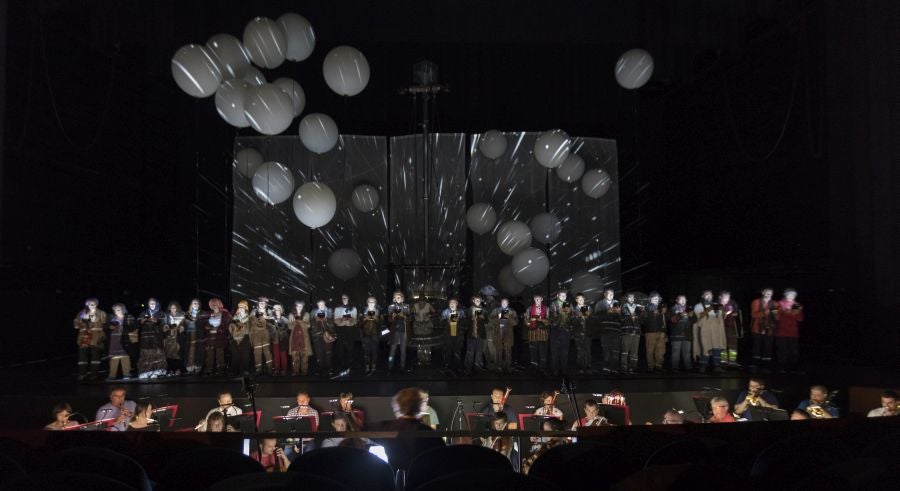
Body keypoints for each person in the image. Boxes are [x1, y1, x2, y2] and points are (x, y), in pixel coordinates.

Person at [377, 387, 445, 471]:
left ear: (397, 407)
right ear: (420, 407)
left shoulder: (386, 427)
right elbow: (442, 458)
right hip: (423, 480)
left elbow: (360, 428)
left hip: (395, 480)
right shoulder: (428, 431)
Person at [74, 298, 107, 381]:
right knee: (82, 356)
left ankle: (94, 374)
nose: (90, 306)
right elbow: (76, 324)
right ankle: (82, 374)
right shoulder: (81, 313)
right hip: (84, 337)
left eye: (92, 304)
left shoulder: (101, 313)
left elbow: (105, 323)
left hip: (96, 337)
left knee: (95, 356)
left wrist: (94, 320)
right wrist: (82, 322)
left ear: (96, 304)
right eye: (88, 304)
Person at [693, 290, 726, 372]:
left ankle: (717, 366)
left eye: (710, 295)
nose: (709, 296)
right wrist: (707, 310)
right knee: (705, 347)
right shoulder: (698, 305)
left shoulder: (716, 305)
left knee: (716, 348)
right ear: (702, 296)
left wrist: (722, 311)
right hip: (705, 330)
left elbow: (721, 318)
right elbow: (697, 317)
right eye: (706, 295)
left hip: (716, 331)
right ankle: (703, 366)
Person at [137, 298, 167, 379]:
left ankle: (158, 370)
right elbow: (138, 323)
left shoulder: (161, 313)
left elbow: (164, 323)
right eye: (150, 303)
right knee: (146, 353)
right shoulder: (144, 313)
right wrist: (142, 321)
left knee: (157, 353)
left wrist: (156, 321)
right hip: (146, 337)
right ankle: (146, 371)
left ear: (157, 304)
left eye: (153, 303)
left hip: (156, 336)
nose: (152, 305)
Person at [775, 288, 804, 372]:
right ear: (785, 294)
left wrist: (797, 313)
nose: (792, 296)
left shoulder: (797, 304)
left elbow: (800, 319)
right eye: (789, 294)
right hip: (781, 330)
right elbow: (776, 317)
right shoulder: (779, 303)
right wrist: (789, 313)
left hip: (793, 331)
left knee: (794, 350)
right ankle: (782, 367)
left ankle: (793, 367)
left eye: (793, 294)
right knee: (782, 350)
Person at [749, 288, 778, 371]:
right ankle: (755, 364)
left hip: (770, 328)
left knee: (768, 346)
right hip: (757, 327)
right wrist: (765, 313)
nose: (769, 294)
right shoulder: (756, 301)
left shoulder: (775, 303)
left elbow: (777, 317)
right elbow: (754, 315)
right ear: (763, 292)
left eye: (770, 292)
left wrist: (776, 314)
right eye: (767, 292)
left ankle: (766, 366)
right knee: (756, 345)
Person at [105, 303, 135, 381]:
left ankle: (126, 374)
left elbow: (133, 326)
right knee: (114, 357)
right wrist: (109, 327)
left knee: (125, 356)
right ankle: (112, 375)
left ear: (123, 309)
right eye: (115, 309)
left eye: (118, 309)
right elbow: (106, 328)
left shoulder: (128, 317)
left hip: (125, 339)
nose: (117, 311)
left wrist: (123, 327)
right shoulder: (111, 318)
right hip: (114, 340)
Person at [595, 289, 621, 374]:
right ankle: (606, 367)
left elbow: (621, 317)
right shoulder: (600, 303)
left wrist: (619, 313)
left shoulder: (617, 302)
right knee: (606, 350)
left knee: (615, 350)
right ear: (604, 294)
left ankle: (614, 368)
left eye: (612, 294)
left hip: (616, 330)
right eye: (609, 294)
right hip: (605, 330)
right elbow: (596, 317)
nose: (611, 295)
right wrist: (606, 312)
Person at [548, 290, 573, 377]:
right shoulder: (553, 304)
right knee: (555, 352)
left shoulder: (569, 304)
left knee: (565, 352)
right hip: (555, 330)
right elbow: (549, 317)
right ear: (557, 295)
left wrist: (570, 313)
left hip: (565, 331)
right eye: (561, 295)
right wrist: (558, 312)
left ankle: (564, 369)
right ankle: (555, 370)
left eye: (564, 296)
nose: (563, 297)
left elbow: (573, 318)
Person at [489, 298, 518, 373]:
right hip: (498, 334)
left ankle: (508, 366)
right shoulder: (495, 310)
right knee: (499, 350)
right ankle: (499, 366)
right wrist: (499, 316)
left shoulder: (512, 311)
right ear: (500, 303)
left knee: (508, 351)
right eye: (503, 302)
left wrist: (509, 317)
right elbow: (491, 320)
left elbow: (515, 323)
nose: (504, 303)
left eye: (506, 302)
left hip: (508, 334)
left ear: (508, 303)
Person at [333, 294, 359, 375]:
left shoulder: (353, 308)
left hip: (350, 330)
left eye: (346, 298)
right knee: (340, 348)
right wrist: (342, 319)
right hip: (341, 330)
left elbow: (355, 320)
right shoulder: (337, 308)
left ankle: (350, 366)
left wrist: (350, 319)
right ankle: (342, 365)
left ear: (349, 299)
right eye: (343, 298)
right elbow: (335, 320)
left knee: (350, 348)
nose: (344, 299)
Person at [524, 294, 550, 373]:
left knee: (543, 351)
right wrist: (529, 321)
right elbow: (526, 320)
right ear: (534, 299)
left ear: (542, 299)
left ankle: (543, 367)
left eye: (539, 299)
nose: (537, 300)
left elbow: (549, 321)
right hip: (533, 333)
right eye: (536, 299)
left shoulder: (546, 308)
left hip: (543, 334)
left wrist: (542, 320)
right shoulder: (530, 308)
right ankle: (534, 366)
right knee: (533, 350)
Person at [181, 298, 208, 375]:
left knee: (198, 350)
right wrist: (182, 327)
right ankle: (189, 367)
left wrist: (197, 321)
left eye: (197, 303)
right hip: (189, 336)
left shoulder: (203, 313)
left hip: (199, 336)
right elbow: (183, 323)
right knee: (190, 350)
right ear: (191, 305)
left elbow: (206, 323)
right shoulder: (187, 314)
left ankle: (198, 366)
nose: (195, 305)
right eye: (194, 303)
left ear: (199, 305)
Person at [204, 298, 230, 376]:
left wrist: (218, 330)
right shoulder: (210, 314)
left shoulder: (225, 313)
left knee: (220, 354)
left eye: (215, 304)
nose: (214, 305)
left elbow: (227, 324)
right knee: (210, 355)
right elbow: (205, 325)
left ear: (219, 304)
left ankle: (220, 370)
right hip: (210, 338)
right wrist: (207, 328)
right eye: (212, 304)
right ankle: (209, 369)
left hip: (220, 337)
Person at [386, 291, 411, 373]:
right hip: (395, 331)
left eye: (399, 296)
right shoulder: (391, 307)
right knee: (392, 350)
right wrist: (393, 316)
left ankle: (402, 366)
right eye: (396, 297)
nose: (398, 298)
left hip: (403, 331)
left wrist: (404, 316)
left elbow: (409, 318)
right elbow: (389, 319)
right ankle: (390, 365)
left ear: (402, 298)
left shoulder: (406, 306)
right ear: (394, 298)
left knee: (403, 350)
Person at [249, 297, 274, 375]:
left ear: (266, 304)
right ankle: (258, 369)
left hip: (266, 335)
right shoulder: (254, 311)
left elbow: (272, 322)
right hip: (256, 335)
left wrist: (265, 318)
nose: (262, 304)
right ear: (258, 303)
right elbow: (250, 322)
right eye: (260, 303)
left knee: (267, 352)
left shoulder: (269, 311)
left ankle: (270, 369)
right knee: (257, 353)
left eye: (264, 303)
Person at [464, 295, 489, 374]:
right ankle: (468, 368)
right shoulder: (469, 309)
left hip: (480, 334)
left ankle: (478, 367)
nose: (478, 301)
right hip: (471, 334)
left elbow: (487, 320)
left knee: (479, 351)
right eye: (476, 300)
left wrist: (483, 318)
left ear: (481, 300)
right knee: (470, 351)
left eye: (479, 300)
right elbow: (466, 320)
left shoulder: (484, 310)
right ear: (473, 300)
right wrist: (471, 318)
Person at [439, 298, 466, 373]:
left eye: (454, 302)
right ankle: (447, 366)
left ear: (457, 303)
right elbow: (440, 322)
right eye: (451, 303)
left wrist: (459, 321)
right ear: (448, 304)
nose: (452, 304)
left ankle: (457, 366)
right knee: (448, 350)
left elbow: (465, 322)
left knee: (457, 350)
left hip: (458, 334)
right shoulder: (445, 312)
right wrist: (446, 321)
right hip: (448, 334)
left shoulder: (461, 312)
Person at [310, 299, 336, 376]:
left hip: (328, 335)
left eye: (322, 304)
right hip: (317, 336)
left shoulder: (329, 312)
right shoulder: (314, 312)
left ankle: (329, 368)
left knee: (328, 353)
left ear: (325, 304)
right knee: (319, 353)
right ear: (317, 305)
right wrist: (316, 321)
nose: (321, 306)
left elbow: (332, 325)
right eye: (319, 304)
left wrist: (326, 320)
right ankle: (320, 368)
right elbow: (311, 324)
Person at [643, 292, 667, 372]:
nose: (656, 299)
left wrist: (664, 313)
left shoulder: (662, 308)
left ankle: (659, 366)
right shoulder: (646, 308)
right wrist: (652, 314)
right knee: (650, 350)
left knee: (661, 350)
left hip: (661, 332)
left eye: (657, 298)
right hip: (650, 332)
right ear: (650, 299)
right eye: (654, 298)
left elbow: (666, 321)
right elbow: (643, 321)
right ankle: (650, 366)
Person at [619, 293, 643, 374]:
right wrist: (630, 316)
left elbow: (641, 320)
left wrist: (640, 313)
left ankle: (632, 368)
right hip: (626, 332)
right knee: (625, 351)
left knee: (634, 352)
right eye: (630, 297)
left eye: (633, 297)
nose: (632, 299)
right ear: (627, 298)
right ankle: (624, 368)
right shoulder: (623, 306)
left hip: (636, 332)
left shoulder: (638, 307)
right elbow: (621, 318)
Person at [668, 295, 693, 371]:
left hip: (687, 335)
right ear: (677, 300)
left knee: (687, 353)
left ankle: (688, 367)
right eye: (681, 299)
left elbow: (694, 320)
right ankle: (675, 367)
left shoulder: (689, 309)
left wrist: (692, 316)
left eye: (684, 299)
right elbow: (672, 320)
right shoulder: (673, 309)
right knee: (676, 352)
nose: (683, 301)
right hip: (676, 335)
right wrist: (680, 315)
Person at [229, 300, 253, 375]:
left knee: (245, 355)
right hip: (235, 338)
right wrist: (234, 326)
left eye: (242, 307)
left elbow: (250, 328)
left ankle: (245, 370)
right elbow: (230, 328)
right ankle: (235, 371)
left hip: (245, 338)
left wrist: (242, 325)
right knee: (235, 355)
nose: (240, 308)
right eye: (239, 307)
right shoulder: (234, 317)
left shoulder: (249, 318)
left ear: (246, 308)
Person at [718, 291, 742, 368]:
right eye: (725, 297)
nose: (727, 299)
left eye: (728, 297)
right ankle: (723, 361)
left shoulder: (732, 303)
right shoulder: (716, 305)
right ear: (720, 297)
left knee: (733, 345)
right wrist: (725, 314)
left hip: (731, 327)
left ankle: (732, 362)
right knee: (722, 345)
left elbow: (737, 313)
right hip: (720, 328)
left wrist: (731, 313)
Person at [359, 297, 382, 376]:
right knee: (366, 352)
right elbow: (359, 324)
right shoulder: (363, 311)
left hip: (375, 335)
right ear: (367, 303)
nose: (371, 303)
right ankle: (367, 367)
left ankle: (374, 367)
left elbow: (382, 324)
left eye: (373, 302)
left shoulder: (378, 311)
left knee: (375, 351)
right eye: (370, 302)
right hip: (365, 335)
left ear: (375, 303)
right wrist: (365, 319)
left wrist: (376, 319)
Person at [571, 293, 593, 375]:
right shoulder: (573, 309)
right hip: (578, 333)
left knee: (587, 350)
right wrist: (578, 317)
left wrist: (588, 316)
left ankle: (588, 367)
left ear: (584, 299)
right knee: (580, 351)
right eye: (578, 299)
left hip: (587, 333)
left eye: (582, 299)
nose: (580, 300)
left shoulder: (589, 308)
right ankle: (580, 367)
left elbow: (593, 320)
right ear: (576, 300)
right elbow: (572, 322)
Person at [288, 301, 312, 376]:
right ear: (295, 306)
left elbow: (308, 326)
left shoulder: (306, 314)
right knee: (295, 357)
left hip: (304, 338)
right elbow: (289, 326)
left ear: (303, 307)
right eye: (297, 306)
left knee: (305, 357)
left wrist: (299, 321)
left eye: (301, 306)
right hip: (294, 339)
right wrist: (296, 321)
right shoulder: (291, 315)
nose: (299, 307)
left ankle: (304, 372)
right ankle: (295, 372)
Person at [162, 301, 185, 376]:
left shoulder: (182, 315)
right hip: (169, 337)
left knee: (178, 353)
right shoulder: (166, 315)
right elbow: (164, 325)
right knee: (169, 353)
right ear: (169, 308)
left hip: (178, 337)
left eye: (175, 308)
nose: (173, 309)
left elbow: (183, 325)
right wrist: (166, 327)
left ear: (177, 308)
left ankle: (179, 369)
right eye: (172, 308)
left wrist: (181, 327)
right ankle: (171, 369)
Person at [270, 304, 290, 376]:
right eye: (275, 309)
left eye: (278, 309)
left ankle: (284, 369)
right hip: (275, 340)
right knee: (276, 356)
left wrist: (282, 331)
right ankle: (277, 369)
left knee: (283, 355)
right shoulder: (271, 319)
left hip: (283, 340)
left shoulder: (285, 320)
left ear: (281, 310)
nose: (277, 311)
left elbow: (289, 329)